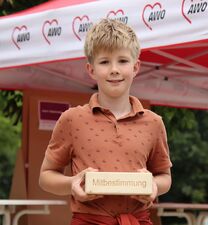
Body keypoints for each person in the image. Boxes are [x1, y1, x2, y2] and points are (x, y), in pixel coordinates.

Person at [39, 18, 172, 225]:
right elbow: (46, 176)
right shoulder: (72, 119)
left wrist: (154, 185)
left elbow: (165, 177)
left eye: (122, 61)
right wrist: (72, 183)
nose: (114, 69)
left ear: (136, 67)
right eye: (104, 62)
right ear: (91, 70)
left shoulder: (153, 123)